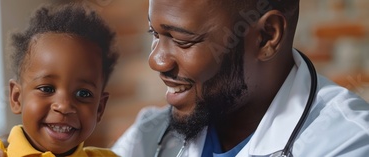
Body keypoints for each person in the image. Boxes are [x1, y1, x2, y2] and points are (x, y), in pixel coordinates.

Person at [112, 0, 369, 157]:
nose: (156, 61)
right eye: (154, 33)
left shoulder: (348, 143)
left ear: (267, 36)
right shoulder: (150, 134)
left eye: (183, 41)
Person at [0, 2, 119, 157]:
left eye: (83, 93)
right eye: (47, 89)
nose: (64, 106)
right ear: (16, 97)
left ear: (99, 108)